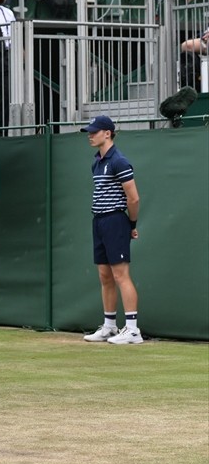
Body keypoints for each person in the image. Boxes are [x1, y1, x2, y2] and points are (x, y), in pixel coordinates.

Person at [79, 115, 143, 345]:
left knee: (120, 275)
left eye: (94, 131)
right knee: (105, 276)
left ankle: (133, 331)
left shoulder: (120, 161)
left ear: (108, 133)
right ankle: (109, 327)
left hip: (116, 221)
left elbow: (133, 198)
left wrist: (131, 225)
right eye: (89, 131)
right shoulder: (97, 162)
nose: (90, 135)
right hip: (99, 221)